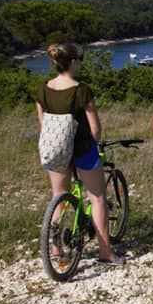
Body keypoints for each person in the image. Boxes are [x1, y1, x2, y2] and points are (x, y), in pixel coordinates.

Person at [35, 43, 123, 265]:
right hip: (82, 148)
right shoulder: (81, 90)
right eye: (80, 60)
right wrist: (94, 145)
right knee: (97, 197)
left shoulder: (43, 89)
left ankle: (55, 248)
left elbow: (43, 123)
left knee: (59, 195)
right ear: (73, 62)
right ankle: (106, 252)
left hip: (55, 149)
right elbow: (95, 128)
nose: (81, 64)